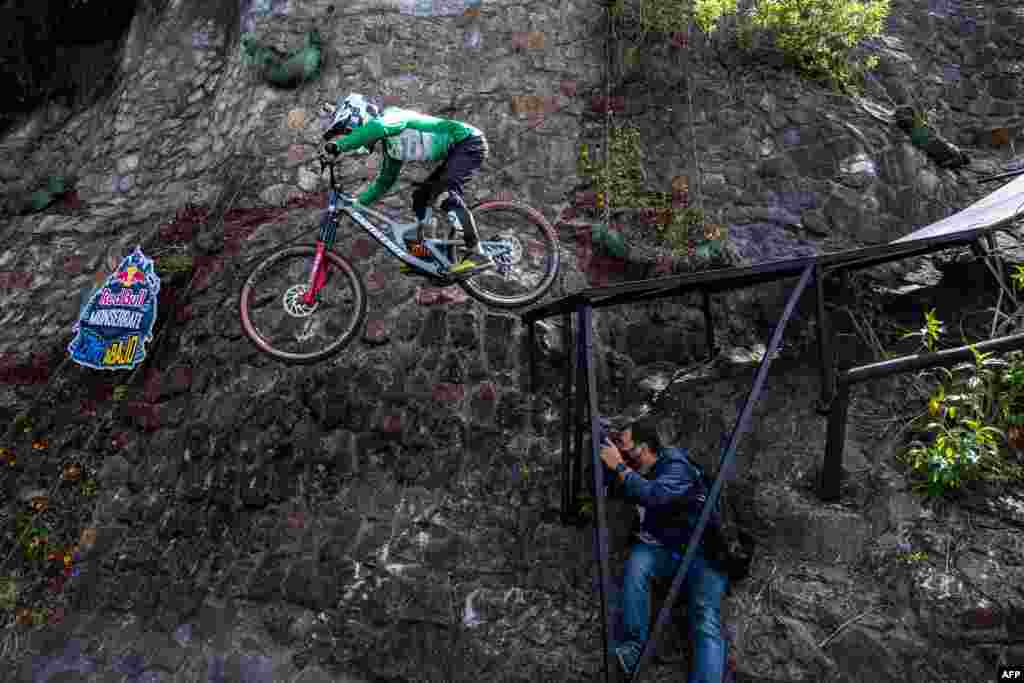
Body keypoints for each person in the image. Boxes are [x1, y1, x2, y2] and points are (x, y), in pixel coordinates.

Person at [598, 417, 729, 683]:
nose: (620, 452)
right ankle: (633, 651)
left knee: (706, 618)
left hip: (702, 554)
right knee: (638, 564)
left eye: (625, 447)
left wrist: (621, 467)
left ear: (643, 449)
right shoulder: (639, 469)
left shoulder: (675, 466)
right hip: (666, 550)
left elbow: (655, 495)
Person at [322, 93, 493, 275]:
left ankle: (477, 252)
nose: (355, 138)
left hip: (469, 142)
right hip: (455, 152)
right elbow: (384, 183)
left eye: (352, 130)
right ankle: (432, 257)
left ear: (362, 118)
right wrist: (356, 205)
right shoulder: (392, 148)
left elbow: (377, 127)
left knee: (444, 193)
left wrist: (340, 145)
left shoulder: (393, 118)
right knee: (420, 198)